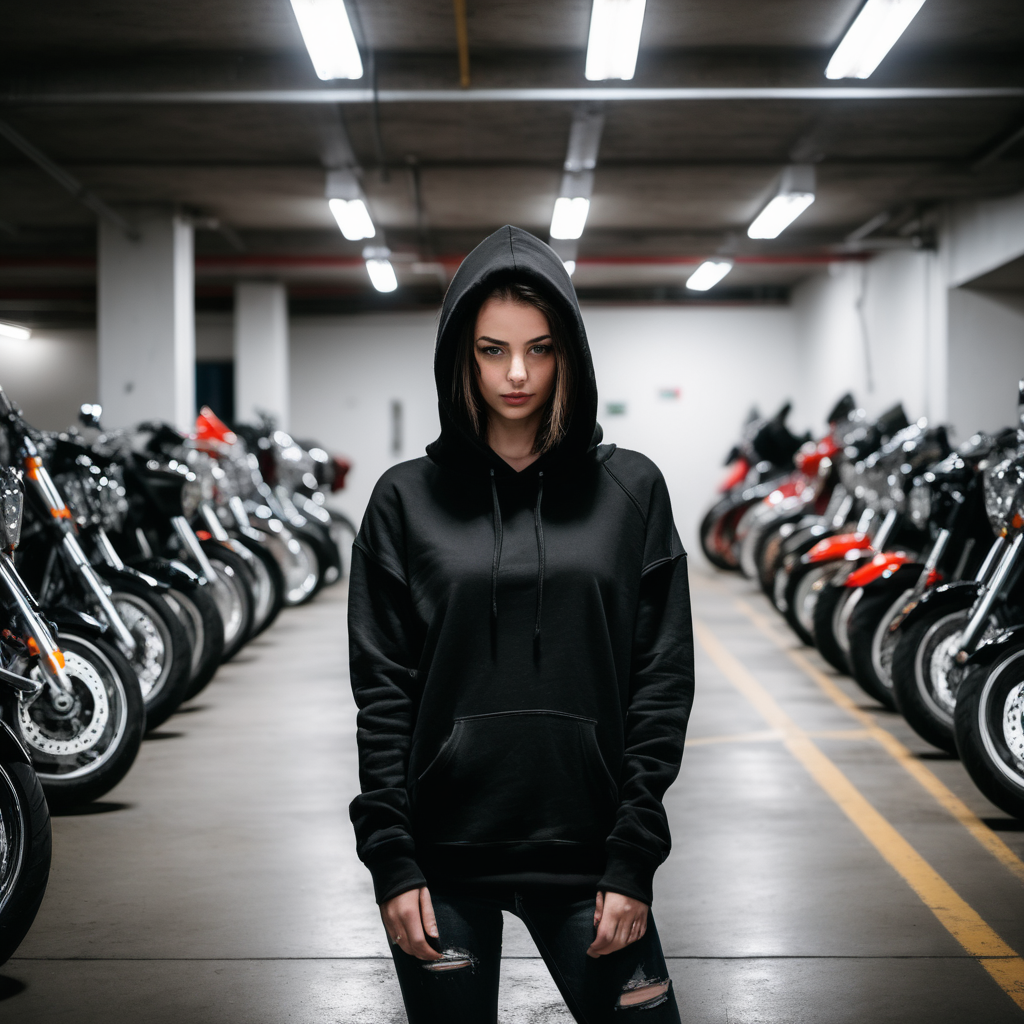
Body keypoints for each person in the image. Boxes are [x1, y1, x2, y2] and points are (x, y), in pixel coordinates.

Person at [348, 225, 694, 1023]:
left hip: (591, 858)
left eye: (539, 350)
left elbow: (662, 682)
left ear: (569, 353)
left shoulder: (633, 491)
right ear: (460, 357)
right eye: (492, 350)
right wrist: (393, 863)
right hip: (443, 864)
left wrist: (633, 857)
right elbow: (383, 696)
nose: (516, 374)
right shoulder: (404, 501)